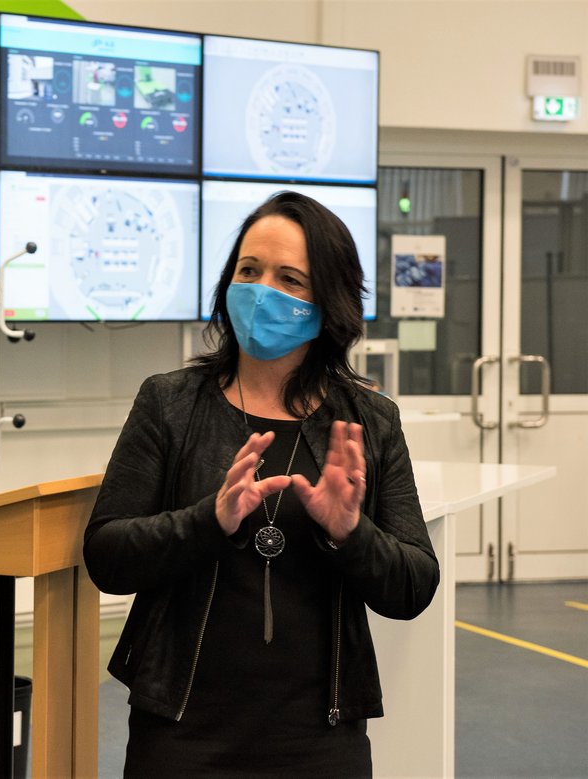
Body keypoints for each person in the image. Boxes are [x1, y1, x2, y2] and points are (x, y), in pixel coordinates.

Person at [83, 191, 439, 777]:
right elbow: (107, 556)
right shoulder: (169, 403)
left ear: (330, 300)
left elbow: (413, 586)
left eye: (289, 279)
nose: (261, 289)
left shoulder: (370, 421)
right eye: (249, 271)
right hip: (181, 729)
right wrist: (208, 521)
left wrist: (351, 533)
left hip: (321, 738)